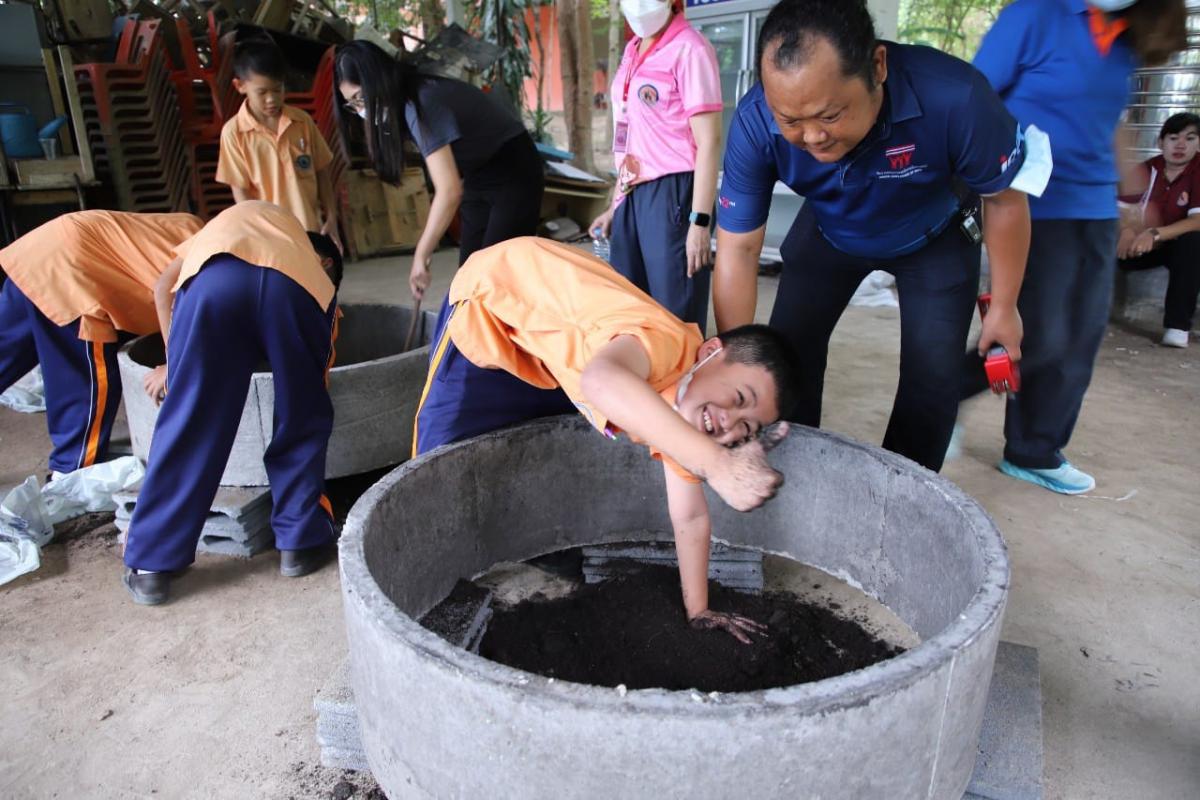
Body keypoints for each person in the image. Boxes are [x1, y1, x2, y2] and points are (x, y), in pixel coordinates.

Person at [712, 0, 1049, 474]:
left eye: (830, 115)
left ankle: (901, 497)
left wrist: (1006, 306)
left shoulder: (955, 96)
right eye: (790, 121)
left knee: (931, 380)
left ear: (877, 67)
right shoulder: (754, 122)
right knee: (785, 357)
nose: (812, 137)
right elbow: (739, 248)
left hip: (935, 234)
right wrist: (733, 359)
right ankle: (792, 476)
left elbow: (1005, 201)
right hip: (829, 226)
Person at [414, 237, 799, 641]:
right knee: (438, 462)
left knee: (541, 427)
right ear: (710, 352)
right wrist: (717, 464)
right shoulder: (662, 344)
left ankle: (543, 542)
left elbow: (691, 517)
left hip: (552, 343)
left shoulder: (688, 415)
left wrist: (699, 611)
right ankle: (423, 595)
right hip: (493, 297)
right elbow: (600, 381)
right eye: (739, 399)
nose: (729, 424)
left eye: (746, 429)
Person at [971, 0, 1186, 494]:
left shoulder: (1127, 35)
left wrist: (1134, 192)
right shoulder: (1035, 15)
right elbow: (973, 99)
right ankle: (947, 397)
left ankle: (1034, 451)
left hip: (1096, 205)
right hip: (1033, 205)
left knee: (1082, 335)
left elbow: (1111, 120)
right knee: (1040, 334)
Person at [122, 202, 344, 606]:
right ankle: (299, 542)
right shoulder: (301, 254)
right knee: (303, 410)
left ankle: (153, 563)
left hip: (212, 284)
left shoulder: (223, 227)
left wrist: (176, 363)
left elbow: (163, 286)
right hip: (293, 288)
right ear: (325, 261)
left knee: (189, 419)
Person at [333, 41, 544, 301]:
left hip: (514, 168)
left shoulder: (423, 102)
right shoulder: (402, 105)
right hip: (478, 173)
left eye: (360, 98)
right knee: (469, 275)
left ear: (379, 81)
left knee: (498, 274)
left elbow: (449, 190)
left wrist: (422, 253)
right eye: (351, 104)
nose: (360, 110)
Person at [0, 210, 202, 476]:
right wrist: (173, 361)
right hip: (73, 272)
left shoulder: (199, 229)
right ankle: (72, 471)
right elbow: (167, 295)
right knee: (87, 381)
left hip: (40, 250)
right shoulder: (212, 264)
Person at [588, 0, 722, 331]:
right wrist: (615, 206)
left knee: (674, 311)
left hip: (673, 192)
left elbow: (709, 142)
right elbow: (630, 135)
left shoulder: (691, 48)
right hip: (632, 189)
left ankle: (682, 367)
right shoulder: (632, 48)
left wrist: (699, 222)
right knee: (630, 306)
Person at [217, 34, 341, 251]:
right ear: (240, 86)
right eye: (262, 92)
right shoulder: (234, 133)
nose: (271, 99)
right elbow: (241, 192)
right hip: (269, 239)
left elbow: (322, 172)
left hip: (310, 231)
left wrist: (331, 218)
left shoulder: (302, 122)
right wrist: (256, 233)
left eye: (277, 89)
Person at [1117, 111, 1200, 348]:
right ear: (1160, 142)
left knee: (1192, 242)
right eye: (1173, 138)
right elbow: (1122, 208)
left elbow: (1197, 221)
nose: (1180, 145)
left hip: (1178, 246)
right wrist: (1127, 231)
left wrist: (1154, 234)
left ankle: (1177, 327)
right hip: (1142, 245)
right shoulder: (1146, 169)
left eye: (1190, 138)